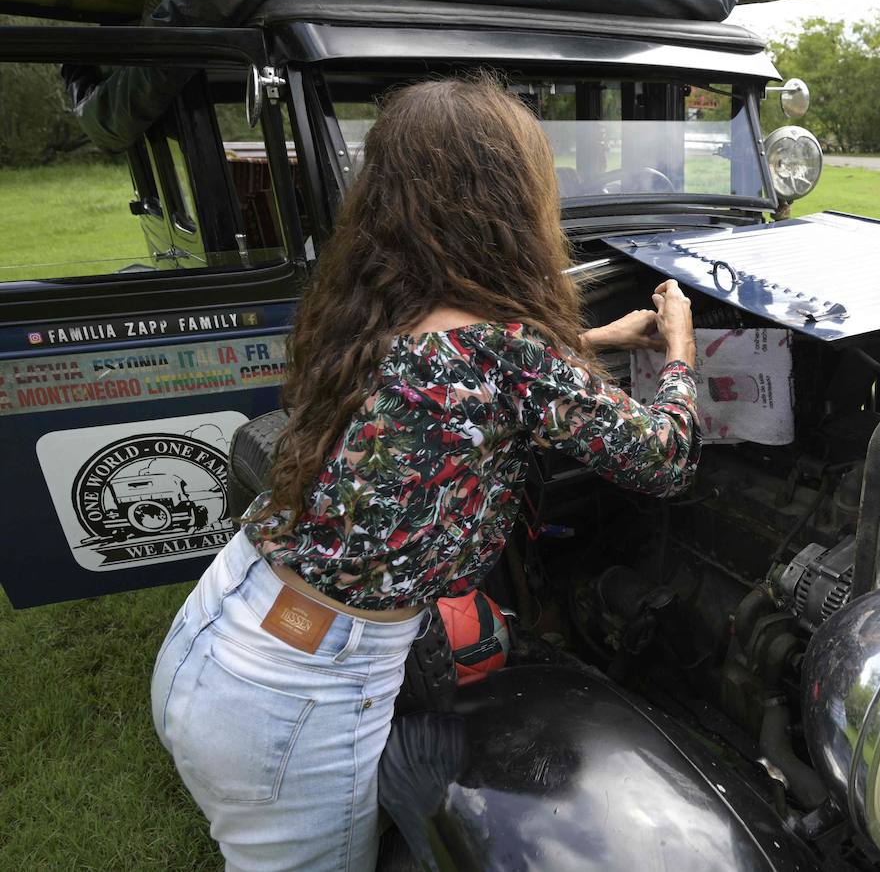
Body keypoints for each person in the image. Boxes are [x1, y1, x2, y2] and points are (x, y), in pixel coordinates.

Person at [148, 78, 700, 871]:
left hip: (224, 625)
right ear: (508, 199)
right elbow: (666, 455)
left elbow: (457, 384)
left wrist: (594, 338)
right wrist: (677, 348)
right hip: (303, 695)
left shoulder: (368, 311)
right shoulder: (506, 353)